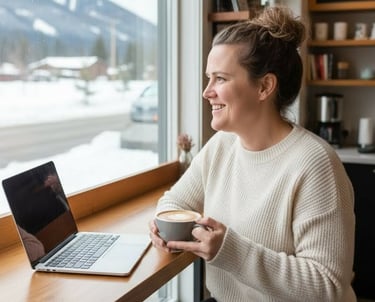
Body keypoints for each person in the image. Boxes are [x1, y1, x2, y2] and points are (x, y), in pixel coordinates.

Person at [149, 6, 356, 302]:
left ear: (264, 86)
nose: (207, 92)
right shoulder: (222, 145)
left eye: (220, 78)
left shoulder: (315, 164)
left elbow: (327, 287)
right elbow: (175, 201)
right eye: (209, 78)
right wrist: (160, 224)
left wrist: (228, 250)